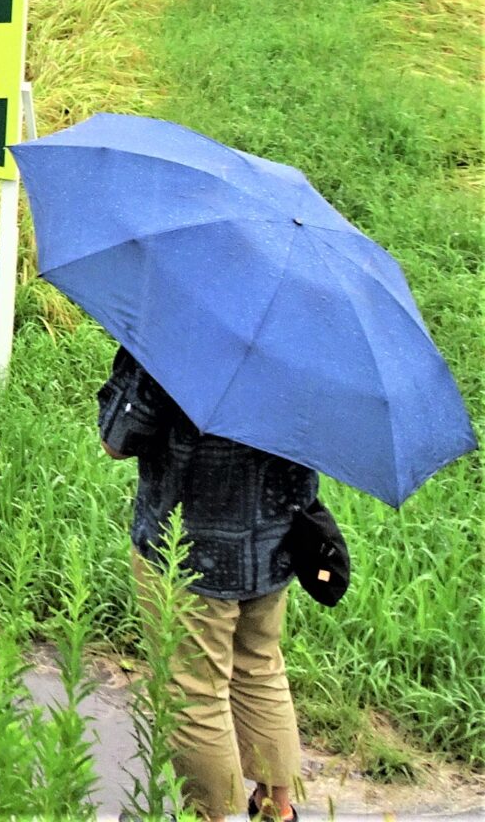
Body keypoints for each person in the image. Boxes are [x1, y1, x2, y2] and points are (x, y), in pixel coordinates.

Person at [99, 346, 311, 822]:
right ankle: (276, 809)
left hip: (189, 547)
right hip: (273, 542)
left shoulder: (178, 332)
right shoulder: (308, 337)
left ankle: (207, 816)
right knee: (260, 667)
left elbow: (117, 439)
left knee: (195, 689)